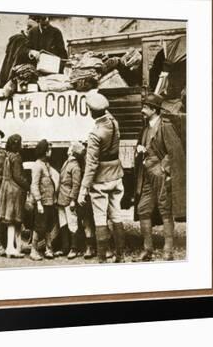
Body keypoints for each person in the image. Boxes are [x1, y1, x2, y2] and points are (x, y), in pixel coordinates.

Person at [134, 93, 186, 261]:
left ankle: (168, 250)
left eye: (145, 108)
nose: (142, 110)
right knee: (143, 208)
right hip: (147, 174)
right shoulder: (146, 127)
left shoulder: (165, 126)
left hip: (160, 173)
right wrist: (140, 150)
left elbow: (175, 151)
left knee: (165, 209)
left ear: (154, 110)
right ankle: (147, 250)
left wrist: (164, 169)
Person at [77, 92, 126, 263]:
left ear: (92, 111)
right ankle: (120, 256)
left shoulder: (95, 134)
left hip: (101, 180)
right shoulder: (114, 122)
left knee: (100, 218)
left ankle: (101, 260)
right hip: (116, 174)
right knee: (117, 216)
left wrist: (83, 190)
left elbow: (91, 165)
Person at [58, 142, 96, 260]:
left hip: (68, 199)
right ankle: (65, 247)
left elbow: (76, 185)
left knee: (72, 223)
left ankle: (74, 248)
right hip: (62, 198)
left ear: (72, 152)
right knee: (63, 223)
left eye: (70, 147)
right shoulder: (68, 162)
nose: (68, 148)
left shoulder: (74, 166)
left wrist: (73, 200)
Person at [0, 134, 29, 258]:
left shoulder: (7, 155)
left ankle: (13, 247)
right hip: (14, 191)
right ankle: (11, 247)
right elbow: (18, 176)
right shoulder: (16, 157)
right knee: (14, 220)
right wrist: (27, 185)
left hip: (6, 188)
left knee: (9, 220)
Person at [30, 139, 59, 260]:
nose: (51, 152)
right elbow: (34, 185)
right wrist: (38, 202)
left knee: (48, 226)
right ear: (45, 151)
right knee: (39, 227)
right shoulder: (37, 165)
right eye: (49, 149)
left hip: (49, 202)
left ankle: (48, 249)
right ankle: (33, 251)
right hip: (42, 203)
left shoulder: (46, 165)